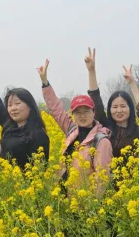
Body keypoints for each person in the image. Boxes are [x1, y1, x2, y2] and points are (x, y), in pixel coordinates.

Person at [37, 59, 112, 188]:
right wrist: (45, 83)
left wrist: (91, 200)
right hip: (64, 195)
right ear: (73, 114)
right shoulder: (72, 129)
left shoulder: (100, 140)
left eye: (86, 111)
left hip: (84, 198)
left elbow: (102, 178)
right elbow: (56, 109)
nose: (82, 116)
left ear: (94, 112)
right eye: (78, 112)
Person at [0, 63, 50, 169]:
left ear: (30, 106)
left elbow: (40, 169)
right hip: (6, 177)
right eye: (10, 105)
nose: (13, 108)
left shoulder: (38, 134)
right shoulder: (9, 126)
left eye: (17, 103)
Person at [83, 47, 139, 158]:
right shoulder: (105, 126)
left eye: (123, 106)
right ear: (110, 109)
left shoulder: (138, 132)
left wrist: (132, 83)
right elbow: (96, 100)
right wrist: (91, 71)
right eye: (115, 107)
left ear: (130, 108)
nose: (119, 110)